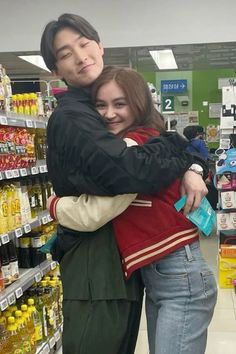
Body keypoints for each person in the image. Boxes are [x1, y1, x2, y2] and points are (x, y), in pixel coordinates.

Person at [40, 13, 208, 354]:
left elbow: (148, 152)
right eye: (65, 53)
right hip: (96, 265)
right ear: (56, 68)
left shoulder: (104, 114)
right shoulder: (74, 116)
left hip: (136, 265)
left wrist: (191, 161)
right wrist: (182, 155)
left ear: (100, 46)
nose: (80, 55)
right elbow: (128, 175)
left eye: (84, 44)